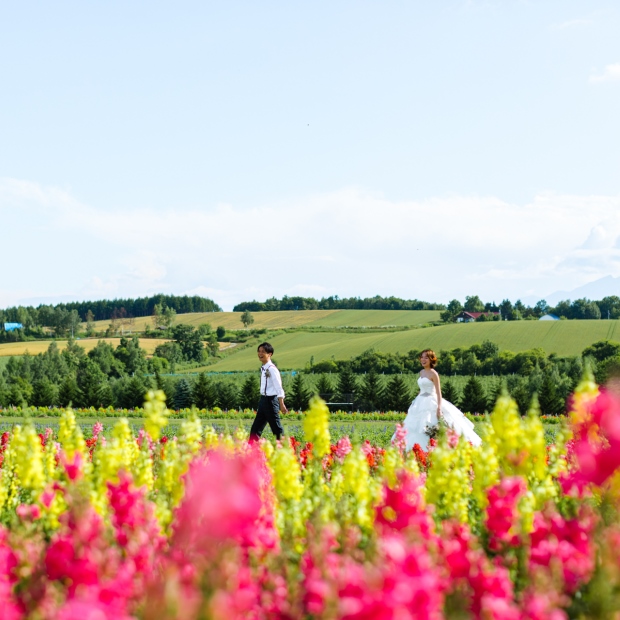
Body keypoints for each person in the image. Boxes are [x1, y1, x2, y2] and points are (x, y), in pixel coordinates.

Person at [395, 349, 481, 452]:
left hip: (432, 401)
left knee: (433, 425)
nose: (423, 360)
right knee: (415, 427)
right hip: (420, 401)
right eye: (421, 357)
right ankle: (412, 450)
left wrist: (439, 407)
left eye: (426, 357)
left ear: (431, 360)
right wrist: (415, 401)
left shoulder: (434, 374)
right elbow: (422, 388)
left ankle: (434, 447)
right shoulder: (421, 372)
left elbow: (438, 392)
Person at [249, 342, 288, 442]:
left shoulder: (272, 369)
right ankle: (250, 452)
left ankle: (285, 449)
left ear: (269, 354)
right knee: (255, 429)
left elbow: (278, 387)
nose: (260, 354)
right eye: (259, 351)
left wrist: (281, 403)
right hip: (263, 400)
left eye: (263, 352)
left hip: (271, 401)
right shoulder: (264, 368)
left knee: (277, 429)